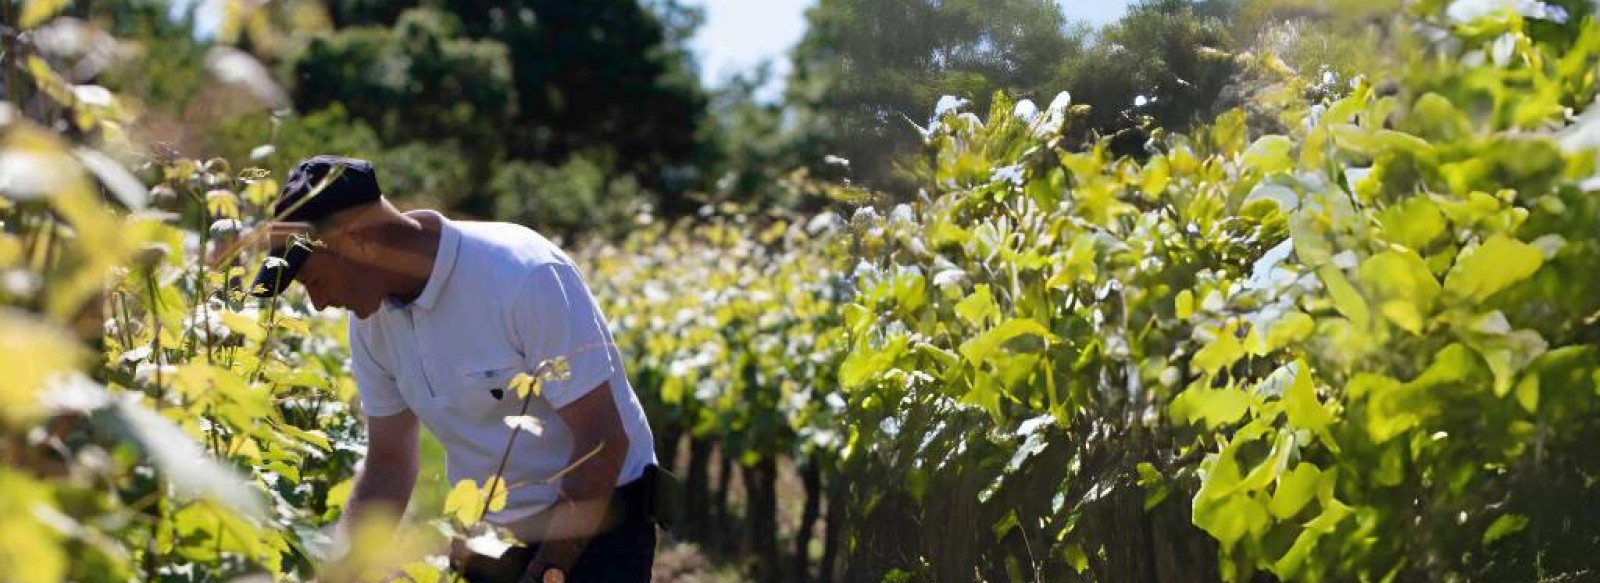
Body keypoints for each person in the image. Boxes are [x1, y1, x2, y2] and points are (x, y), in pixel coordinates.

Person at [249, 155, 661, 583]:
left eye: (315, 281)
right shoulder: (371, 326)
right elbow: (388, 465)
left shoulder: (522, 275)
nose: (318, 303)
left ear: (359, 242)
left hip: (597, 526)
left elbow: (602, 440)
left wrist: (547, 570)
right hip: (487, 539)